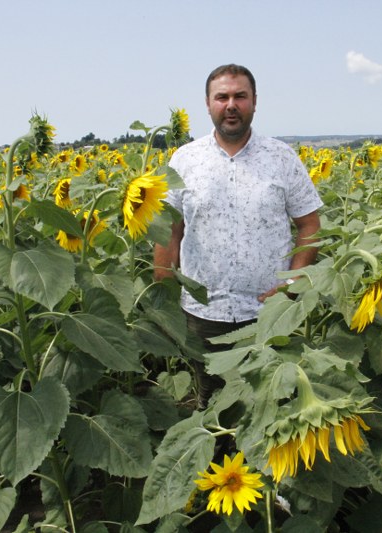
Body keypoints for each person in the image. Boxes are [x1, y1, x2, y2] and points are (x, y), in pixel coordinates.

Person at [154, 64, 322, 407]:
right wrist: (163, 293)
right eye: (222, 97)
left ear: (254, 102)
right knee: (211, 405)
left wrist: (291, 287)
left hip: (267, 313)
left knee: (267, 405)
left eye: (240, 96)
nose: (231, 104)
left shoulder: (281, 158)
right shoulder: (185, 160)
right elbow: (169, 229)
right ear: (208, 104)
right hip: (203, 313)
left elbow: (310, 224)